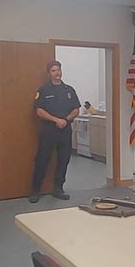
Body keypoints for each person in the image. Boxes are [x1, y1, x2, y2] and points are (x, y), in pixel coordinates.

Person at [29, 61, 80, 203]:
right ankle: (35, 190)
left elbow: (76, 109)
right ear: (49, 73)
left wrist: (65, 119)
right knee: (42, 159)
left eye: (58, 70)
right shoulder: (44, 90)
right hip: (49, 130)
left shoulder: (69, 90)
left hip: (65, 131)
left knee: (64, 160)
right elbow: (39, 110)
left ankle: (58, 188)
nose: (57, 73)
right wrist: (56, 120)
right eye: (53, 70)